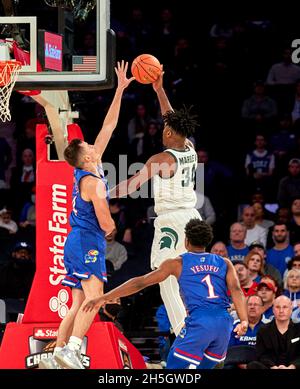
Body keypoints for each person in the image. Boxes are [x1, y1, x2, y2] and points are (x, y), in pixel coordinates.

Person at [38, 61, 134, 369]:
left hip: (77, 240)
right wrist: (112, 227)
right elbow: (106, 222)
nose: (95, 144)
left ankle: (57, 353)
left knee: (78, 302)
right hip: (87, 241)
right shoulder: (92, 181)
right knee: (96, 298)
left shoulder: (91, 166)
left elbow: (109, 126)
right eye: (90, 146)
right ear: (88, 155)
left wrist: (119, 90)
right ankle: (73, 350)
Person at [83, 219, 248, 369]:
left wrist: (104, 297)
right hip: (223, 323)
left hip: (200, 321)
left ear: (186, 240)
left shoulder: (177, 263)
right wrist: (244, 320)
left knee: (172, 369)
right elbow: (236, 290)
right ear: (208, 241)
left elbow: (139, 282)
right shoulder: (225, 263)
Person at [110, 68, 201, 336]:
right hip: (192, 217)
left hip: (172, 220)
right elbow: (171, 116)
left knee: (164, 275)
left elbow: (132, 185)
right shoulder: (190, 147)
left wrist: (101, 191)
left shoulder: (161, 160)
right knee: (183, 275)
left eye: (165, 128)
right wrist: (159, 89)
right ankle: (193, 322)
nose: (162, 130)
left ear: (171, 133)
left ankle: (183, 329)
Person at [247, 295, 300, 369]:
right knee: (253, 365)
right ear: (273, 310)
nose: (281, 311)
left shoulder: (298, 329)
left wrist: (292, 367)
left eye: (285, 307)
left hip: (294, 367)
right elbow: (262, 354)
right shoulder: (263, 330)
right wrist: (273, 367)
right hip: (271, 367)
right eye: (278, 307)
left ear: (291, 309)